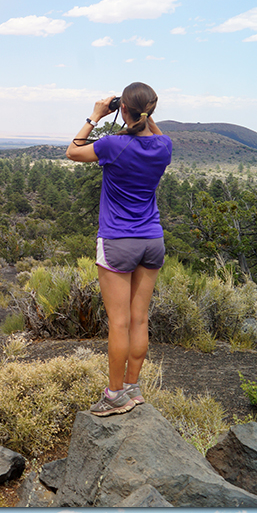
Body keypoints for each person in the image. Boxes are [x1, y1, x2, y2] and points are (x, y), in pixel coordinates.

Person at [66, 82, 172, 415]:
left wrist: (95, 115)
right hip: (152, 241)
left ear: (122, 110)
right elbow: (151, 132)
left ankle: (113, 396)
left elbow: (73, 150)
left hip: (117, 241)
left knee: (120, 323)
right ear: (152, 111)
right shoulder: (164, 147)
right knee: (140, 319)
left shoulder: (113, 146)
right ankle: (132, 388)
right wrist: (139, 115)